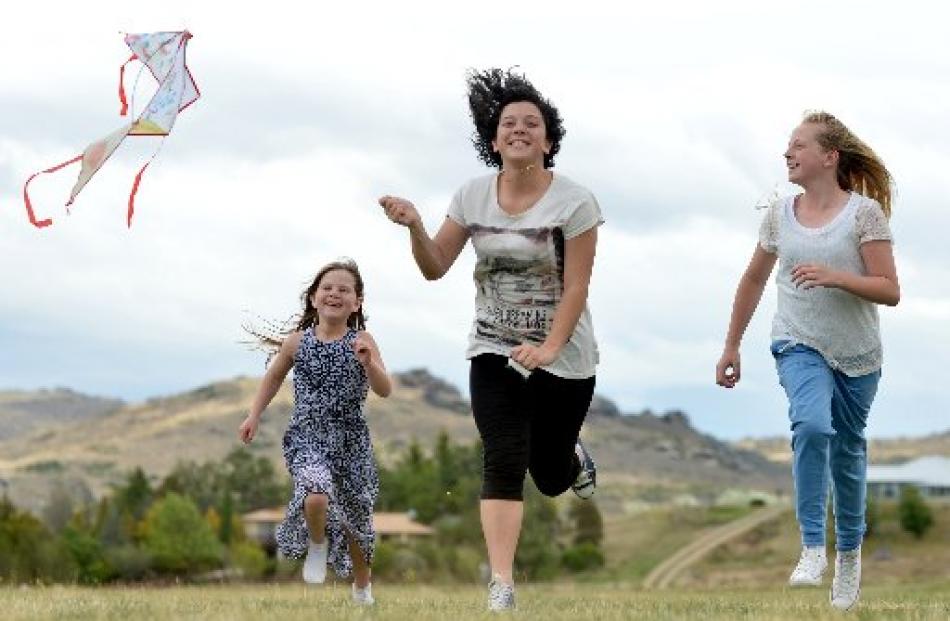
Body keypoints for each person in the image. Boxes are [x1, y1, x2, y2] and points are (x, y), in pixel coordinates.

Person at [379, 68, 602, 612]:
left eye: (533, 123)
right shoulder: (472, 197)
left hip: (564, 357)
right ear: (494, 137)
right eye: (509, 123)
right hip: (492, 349)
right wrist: (415, 226)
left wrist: (548, 348)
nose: (520, 129)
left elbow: (576, 286)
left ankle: (571, 459)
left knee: (548, 477)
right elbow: (435, 267)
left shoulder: (575, 202)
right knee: (502, 455)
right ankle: (501, 584)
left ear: (549, 141)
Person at [715, 111, 900, 611]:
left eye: (798, 145)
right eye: (787, 147)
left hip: (858, 354)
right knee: (812, 426)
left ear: (828, 156)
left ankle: (849, 554)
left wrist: (837, 277)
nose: (787, 154)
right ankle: (813, 547)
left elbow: (889, 290)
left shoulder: (864, 215)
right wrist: (731, 346)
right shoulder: (779, 215)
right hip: (798, 343)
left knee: (848, 452)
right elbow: (754, 280)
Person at [238, 258, 391, 606]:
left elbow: (385, 389)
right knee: (316, 494)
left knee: (357, 520)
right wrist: (253, 415)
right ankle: (318, 544)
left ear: (357, 302)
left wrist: (368, 363)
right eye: (327, 288)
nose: (335, 293)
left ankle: (362, 587)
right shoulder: (296, 343)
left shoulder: (363, 340)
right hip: (308, 435)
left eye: (344, 289)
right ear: (313, 298)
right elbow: (273, 377)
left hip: (351, 441)